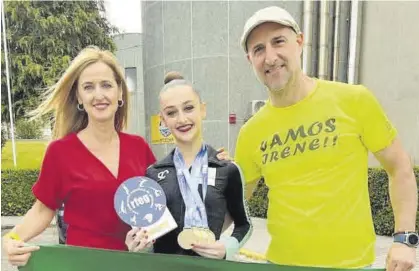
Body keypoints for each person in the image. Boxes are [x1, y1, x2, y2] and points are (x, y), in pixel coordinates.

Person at [234, 5, 418, 270]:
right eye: (258, 49)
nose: (270, 57)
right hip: (281, 265)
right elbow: (235, 202)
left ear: (299, 43)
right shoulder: (251, 132)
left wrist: (404, 239)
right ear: (250, 60)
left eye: (278, 42)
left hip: (353, 266)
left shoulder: (354, 100)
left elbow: (400, 167)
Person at [2, 46, 157, 267]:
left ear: (120, 92)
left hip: (133, 264)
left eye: (106, 85)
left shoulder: (138, 147)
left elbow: (162, 200)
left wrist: (216, 162)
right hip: (83, 264)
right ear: (79, 97)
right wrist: (11, 239)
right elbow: (41, 211)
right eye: (88, 87)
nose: (99, 95)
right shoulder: (60, 153)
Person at [125, 72, 252, 260]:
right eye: (171, 113)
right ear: (163, 120)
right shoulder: (153, 175)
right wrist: (141, 247)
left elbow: (245, 224)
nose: (182, 119)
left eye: (189, 108)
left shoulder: (227, 169)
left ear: (203, 110)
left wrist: (227, 247)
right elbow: (150, 237)